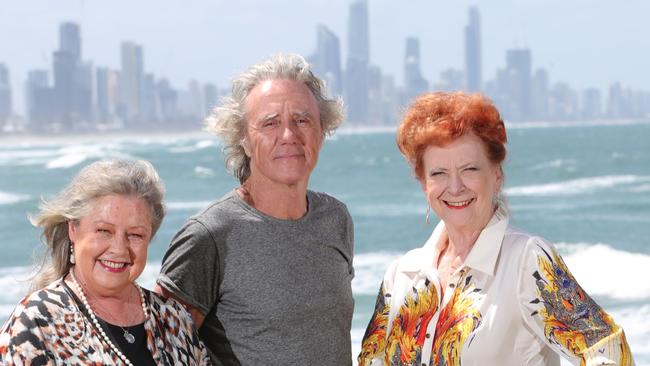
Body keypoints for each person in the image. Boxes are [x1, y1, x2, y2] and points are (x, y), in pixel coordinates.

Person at [358, 92, 634, 366]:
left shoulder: (527, 261)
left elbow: (608, 352)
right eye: (439, 173)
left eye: (470, 169)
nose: (455, 187)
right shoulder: (402, 275)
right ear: (423, 183)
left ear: (496, 175)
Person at [155, 53, 354, 365]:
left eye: (302, 120)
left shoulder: (335, 218)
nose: (289, 135)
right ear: (244, 141)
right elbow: (162, 349)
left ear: (322, 131)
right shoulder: (209, 235)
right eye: (270, 123)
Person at [0, 159, 210, 365]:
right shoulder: (37, 321)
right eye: (104, 231)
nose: (119, 249)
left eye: (135, 235)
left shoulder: (172, 318)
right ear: (73, 229)